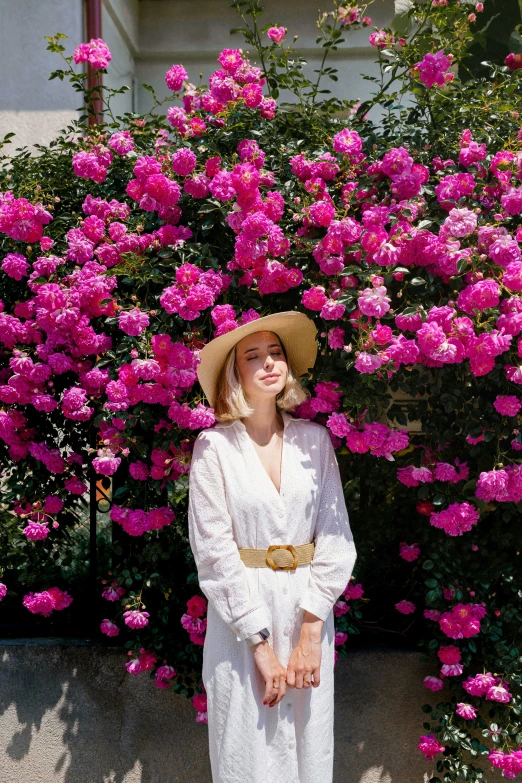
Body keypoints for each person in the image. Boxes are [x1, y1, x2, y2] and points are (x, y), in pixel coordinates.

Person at [187, 310, 357, 783]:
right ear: (235, 372)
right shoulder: (213, 449)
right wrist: (259, 644)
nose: (268, 363)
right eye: (253, 356)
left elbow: (337, 539)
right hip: (242, 624)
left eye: (276, 353)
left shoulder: (315, 442)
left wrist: (309, 635)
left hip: (308, 614)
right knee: (245, 745)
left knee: (308, 743)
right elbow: (215, 553)